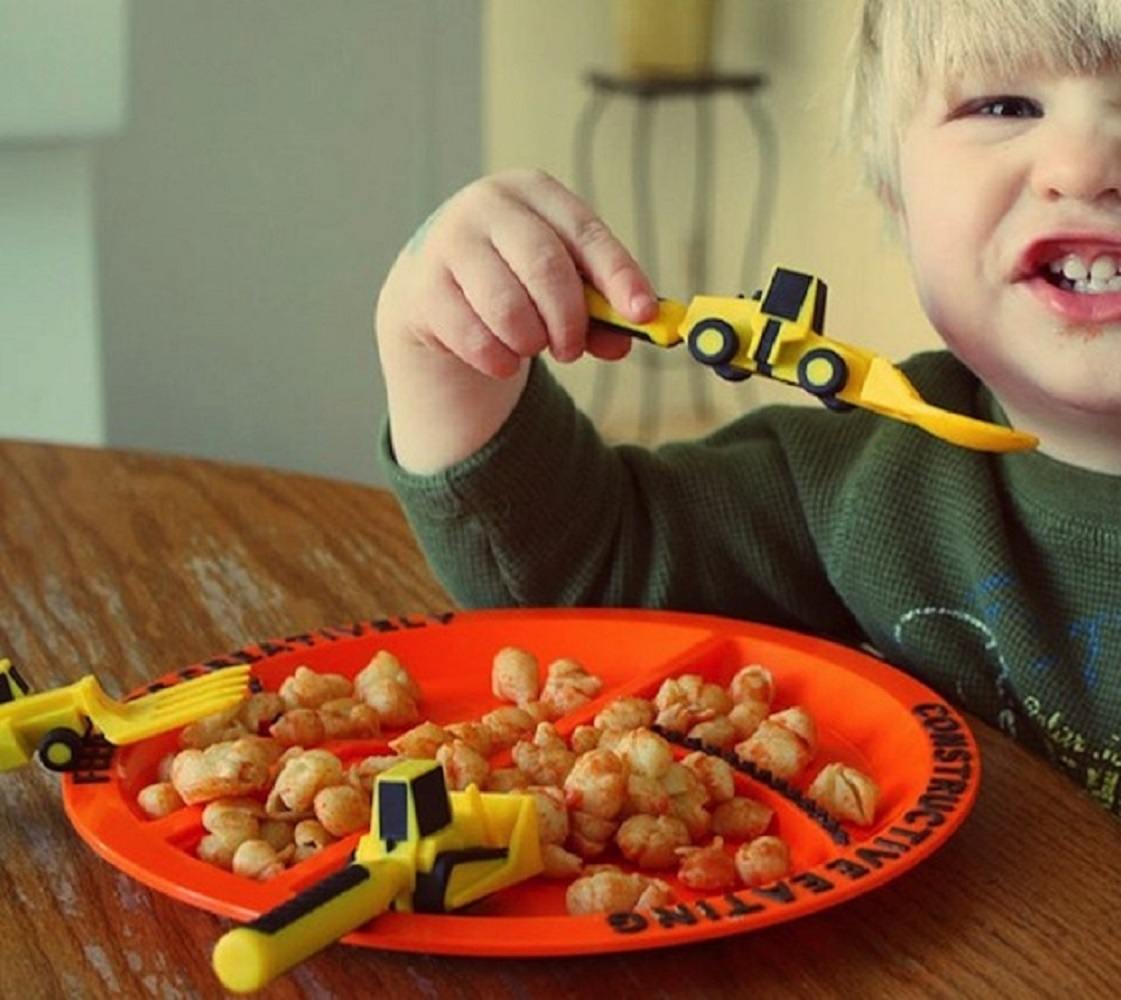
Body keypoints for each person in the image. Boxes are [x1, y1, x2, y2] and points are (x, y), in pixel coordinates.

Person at [374, 0, 1121, 815]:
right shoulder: (849, 485)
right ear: (893, 198)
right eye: (1003, 106)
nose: (1083, 164)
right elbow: (580, 580)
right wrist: (445, 361)